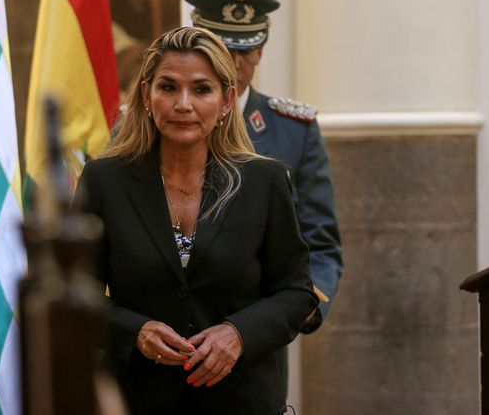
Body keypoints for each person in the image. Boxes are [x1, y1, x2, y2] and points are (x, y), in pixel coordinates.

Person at [76, 27, 318, 414]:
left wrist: (239, 334)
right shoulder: (105, 180)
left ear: (226, 101)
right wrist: (134, 331)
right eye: (168, 87)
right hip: (135, 400)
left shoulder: (264, 180)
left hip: (241, 401)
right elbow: (77, 293)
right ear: (146, 96)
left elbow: (296, 292)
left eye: (202, 89)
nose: (183, 104)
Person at [182, 0, 343, 334]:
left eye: (245, 50)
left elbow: (319, 239)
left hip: (255, 332)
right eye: (223, 50)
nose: (234, 63)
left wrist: (307, 302)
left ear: (260, 52)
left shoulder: (294, 130)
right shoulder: (164, 120)